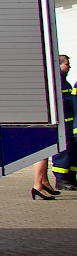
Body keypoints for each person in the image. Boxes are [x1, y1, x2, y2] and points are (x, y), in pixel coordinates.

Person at [36, 54, 74, 196]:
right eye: (67, 64)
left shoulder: (65, 83)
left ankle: (48, 182)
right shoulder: (56, 83)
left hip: (68, 123)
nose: (69, 67)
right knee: (61, 152)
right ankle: (60, 180)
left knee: (69, 152)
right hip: (61, 123)